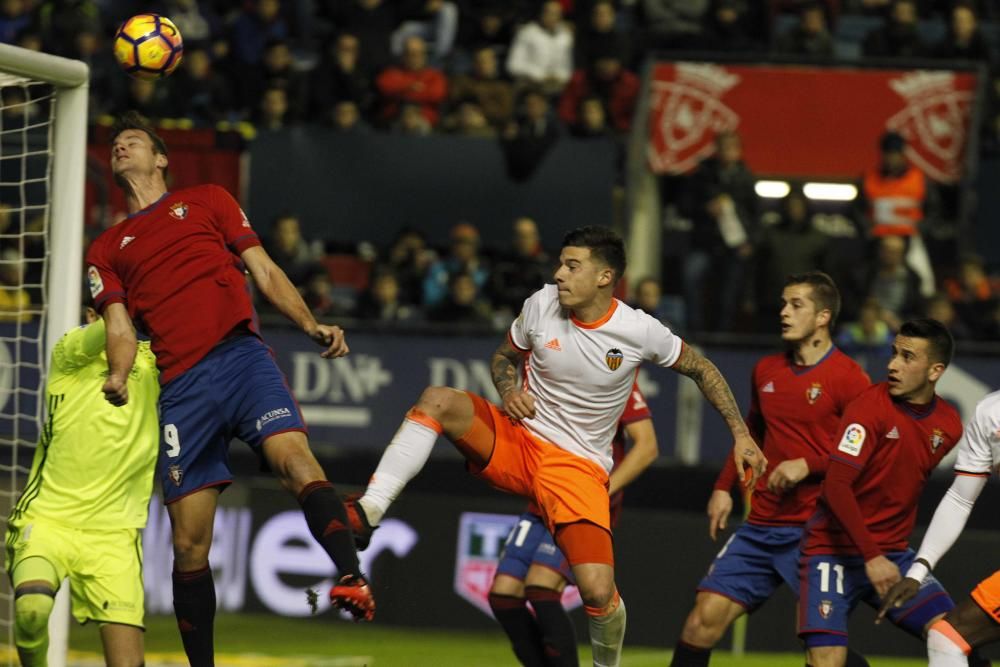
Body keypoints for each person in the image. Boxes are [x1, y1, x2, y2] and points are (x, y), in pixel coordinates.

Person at [344, 225, 767, 667]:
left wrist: (740, 434)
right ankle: (369, 510)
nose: (559, 274)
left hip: (577, 470)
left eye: (572, 265)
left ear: (605, 277)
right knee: (437, 399)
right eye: (560, 263)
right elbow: (503, 357)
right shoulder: (540, 303)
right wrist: (508, 391)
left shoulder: (638, 330)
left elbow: (701, 368)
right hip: (520, 440)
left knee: (598, 592)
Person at [84, 112, 373, 667]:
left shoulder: (209, 200)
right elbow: (119, 326)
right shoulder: (106, 248)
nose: (121, 145)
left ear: (162, 157)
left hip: (241, 358)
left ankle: (351, 576)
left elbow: (262, 270)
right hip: (181, 389)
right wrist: (118, 374)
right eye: (116, 142)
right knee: (189, 543)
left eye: (134, 140)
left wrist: (310, 324)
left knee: (296, 462)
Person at [670, 272, 871, 667]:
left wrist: (808, 465)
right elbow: (752, 436)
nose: (783, 312)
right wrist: (723, 487)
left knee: (824, 654)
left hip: (817, 533)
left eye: (796, 305)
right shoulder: (766, 371)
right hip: (761, 526)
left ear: (822, 317)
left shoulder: (851, 379)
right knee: (700, 622)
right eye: (782, 303)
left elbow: (867, 457)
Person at [798, 319, 962, 667]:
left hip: (894, 556)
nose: (892, 365)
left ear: (935, 371)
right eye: (893, 353)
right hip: (833, 552)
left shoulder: (948, 425)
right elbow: (835, 486)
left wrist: (883, 555)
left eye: (907, 357)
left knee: (955, 638)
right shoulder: (867, 408)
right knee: (827, 660)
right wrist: (871, 556)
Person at [5, 308, 159, 667]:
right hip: (48, 520)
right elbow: (118, 319)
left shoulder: (153, 362)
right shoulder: (69, 354)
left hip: (114, 534)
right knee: (31, 609)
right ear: (93, 314)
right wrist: (125, 299)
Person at [490, 382, 659, 667]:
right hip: (542, 499)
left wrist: (600, 492)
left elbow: (647, 447)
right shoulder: (548, 373)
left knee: (541, 587)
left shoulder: (614, 378)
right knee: (503, 595)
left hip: (581, 501)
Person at [878, 389, 1000, 665]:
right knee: (946, 638)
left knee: (946, 639)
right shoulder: (990, 412)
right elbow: (959, 499)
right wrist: (918, 570)